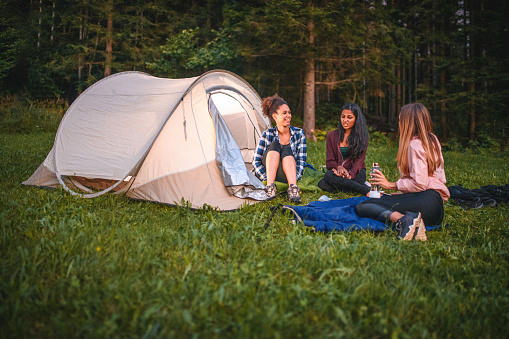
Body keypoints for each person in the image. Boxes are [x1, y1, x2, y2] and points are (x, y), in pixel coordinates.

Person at [355, 103, 450, 241]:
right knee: (383, 199)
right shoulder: (432, 139)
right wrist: (400, 195)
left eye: (400, 121)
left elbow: (420, 184)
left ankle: (405, 221)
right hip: (436, 207)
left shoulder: (414, 145)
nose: (399, 125)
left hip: (425, 204)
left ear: (407, 123)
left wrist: (390, 184)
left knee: (364, 206)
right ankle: (413, 222)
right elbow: (435, 178)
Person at [252, 94, 307, 203]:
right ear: (275, 116)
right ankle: (270, 187)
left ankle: (293, 189)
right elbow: (256, 161)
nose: (288, 116)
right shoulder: (267, 134)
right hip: (269, 173)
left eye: (289, 112)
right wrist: (265, 177)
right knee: (275, 144)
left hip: (288, 174)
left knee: (286, 148)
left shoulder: (299, 133)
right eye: (284, 113)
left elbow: (301, 162)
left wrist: (296, 176)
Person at [318, 103, 370, 196]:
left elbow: (359, 162)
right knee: (326, 177)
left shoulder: (363, 137)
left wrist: (349, 174)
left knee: (326, 183)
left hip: (356, 173)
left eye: (349, 117)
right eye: (343, 117)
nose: (345, 120)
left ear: (356, 119)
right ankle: (362, 189)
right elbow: (329, 162)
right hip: (337, 173)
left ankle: (354, 187)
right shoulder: (331, 136)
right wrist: (339, 167)